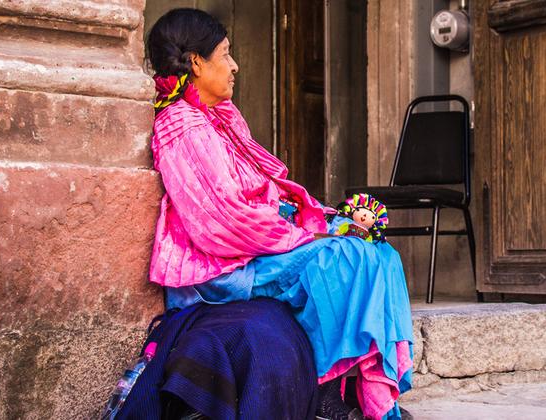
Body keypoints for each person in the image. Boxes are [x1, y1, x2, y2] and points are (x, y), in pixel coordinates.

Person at [146, 8, 414, 420]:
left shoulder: (218, 119)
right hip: (220, 270)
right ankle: (325, 394)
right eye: (225, 54)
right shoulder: (183, 127)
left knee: (380, 253)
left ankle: (375, 397)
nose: (234, 65)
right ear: (196, 62)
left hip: (257, 247)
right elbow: (223, 223)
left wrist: (330, 220)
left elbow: (265, 193)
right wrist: (311, 238)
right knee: (346, 260)